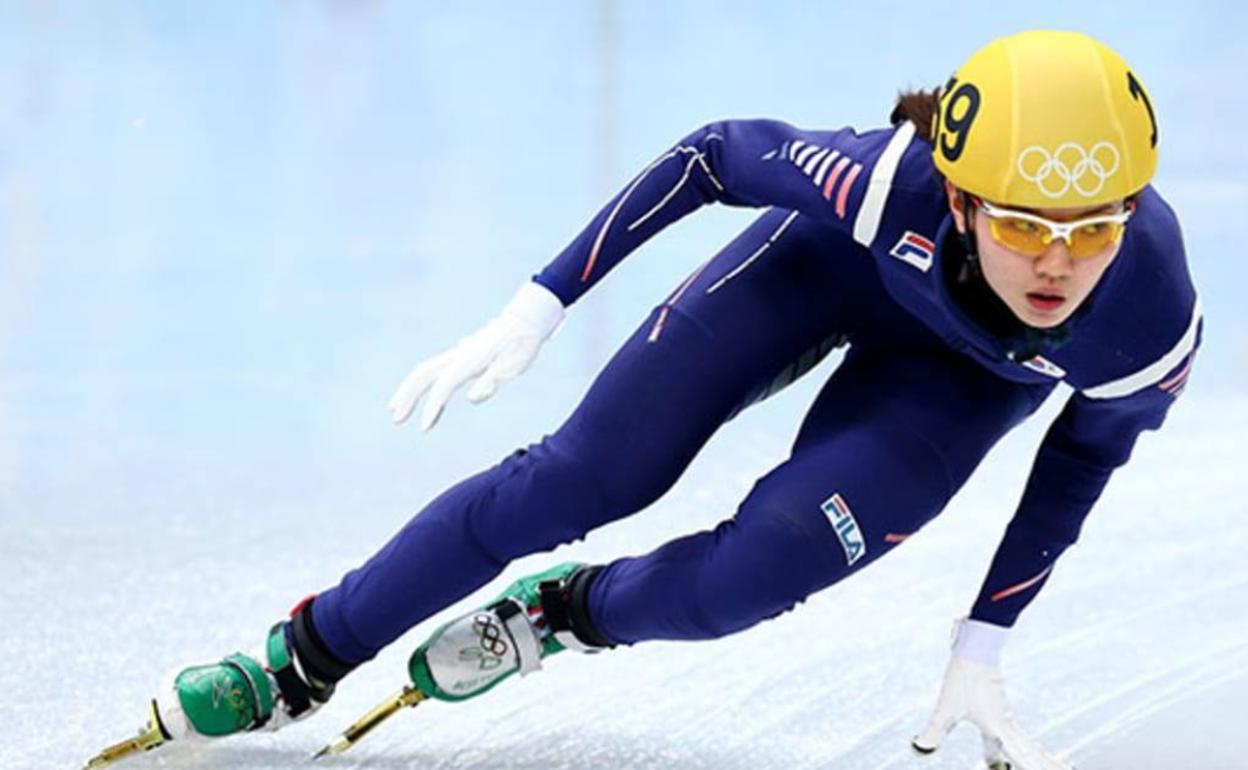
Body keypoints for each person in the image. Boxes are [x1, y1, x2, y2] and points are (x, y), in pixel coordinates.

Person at [89, 29, 1200, 770]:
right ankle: (299, 659)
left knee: (749, 580)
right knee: (580, 476)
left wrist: (986, 634)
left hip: (951, 386)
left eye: (1094, 225)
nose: (1056, 262)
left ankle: (559, 614)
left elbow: (1082, 460)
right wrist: (542, 300)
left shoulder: (1146, 321)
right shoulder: (877, 185)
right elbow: (714, 155)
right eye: (1020, 222)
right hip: (825, 269)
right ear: (957, 199)